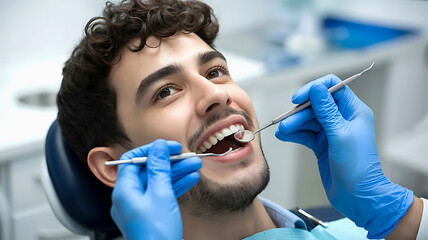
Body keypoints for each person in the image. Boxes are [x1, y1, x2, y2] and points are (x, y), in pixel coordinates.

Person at [56, 0, 427, 239]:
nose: (216, 94)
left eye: (215, 71)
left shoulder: (365, 232)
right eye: (166, 91)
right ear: (114, 166)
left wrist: (397, 213)